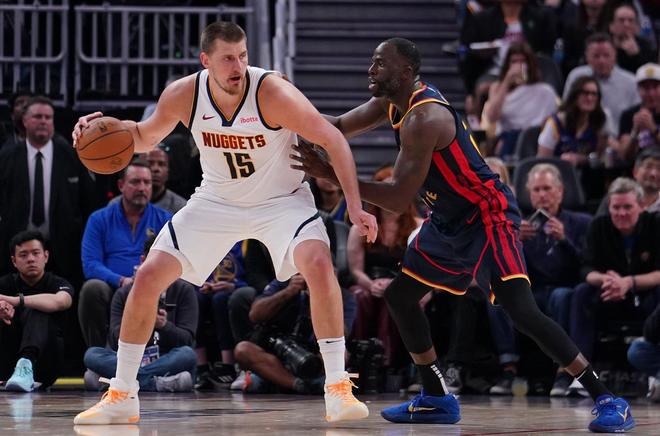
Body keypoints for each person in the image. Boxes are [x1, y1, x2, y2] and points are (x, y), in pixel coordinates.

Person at [292, 37, 635, 432]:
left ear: (405, 72)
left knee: (520, 310)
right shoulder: (391, 102)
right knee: (401, 296)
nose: (371, 70)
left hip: (486, 215)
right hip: (447, 218)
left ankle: (608, 398)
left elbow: (399, 197)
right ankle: (436, 396)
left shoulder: (425, 118)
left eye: (379, 63)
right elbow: (334, 126)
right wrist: (283, 113)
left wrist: (332, 174)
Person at [71, 21, 376, 425]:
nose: (238, 66)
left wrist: (354, 204)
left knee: (319, 264)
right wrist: (100, 129)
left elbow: (333, 139)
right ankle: (122, 394)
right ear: (206, 61)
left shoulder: (272, 93)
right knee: (147, 277)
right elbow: (144, 136)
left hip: (281, 201)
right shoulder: (184, 94)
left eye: (243, 56)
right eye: (228, 58)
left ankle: (337, 386)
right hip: (218, 200)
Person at [487, 163, 592, 395]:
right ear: (529, 194)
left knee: (561, 297)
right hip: (532, 290)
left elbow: (586, 265)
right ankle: (509, 369)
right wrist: (515, 242)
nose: (542, 195)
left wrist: (564, 240)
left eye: (547, 188)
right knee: (498, 299)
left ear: (560, 191)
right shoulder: (516, 224)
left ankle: (564, 372)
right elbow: (507, 269)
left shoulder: (581, 222)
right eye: (536, 190)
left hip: (565, 287)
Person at [0, 96, 97, 286]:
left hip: (64, 247)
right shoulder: (7, 156)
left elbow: (88, 200)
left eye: (48, 117)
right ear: (25, 121)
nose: (43, 121)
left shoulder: (71, 155)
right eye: (38, 116)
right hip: (17, 246)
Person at [84, 235, 198, 393]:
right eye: (156, 261)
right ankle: (155, 383)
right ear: (144, 260)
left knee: (187, 354)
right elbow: (114, 339)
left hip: (165, 358)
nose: (160, 268)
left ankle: (121, 383)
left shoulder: (184, 290)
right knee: (92, 354)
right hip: (128, 359)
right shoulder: (124, 293)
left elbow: (187, 340)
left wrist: (164, 326)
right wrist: (137, 320)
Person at [78, 159, 171, 348]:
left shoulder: (165, 220)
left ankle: (168, 354)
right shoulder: (99, 219)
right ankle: (99, 354)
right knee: (92, 288)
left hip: (153, 288)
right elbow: (91, 264)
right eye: (135, 182)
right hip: (113, 287)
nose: (142, 188)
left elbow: (172, 262)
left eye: (147, 182)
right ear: (121, 185)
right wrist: (121, 281)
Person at [569, 177, 660, 370]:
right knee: (581, 293)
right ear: (608, 207)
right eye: (616, 208)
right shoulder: (598, 226)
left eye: (628, 207)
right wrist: (605, 279)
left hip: (646, 292)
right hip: (608, 291)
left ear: (641, 206)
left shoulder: (655, 224)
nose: (621, 213)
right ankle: (579, 371)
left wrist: (628, 282)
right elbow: (586, 269)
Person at [0, 231, 73, 391]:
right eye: (23, 255)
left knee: (38, 307)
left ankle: (26, 365)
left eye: (35, 253)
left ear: (46, 256)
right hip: (7, 359)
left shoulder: (57, 283)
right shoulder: (5, 283)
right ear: (14, 261)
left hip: (45, 363)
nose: (31, 259)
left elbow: (62, 301)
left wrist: (16, 301)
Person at [482, 41, 558, 159]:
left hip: (533, 141)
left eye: (523, 61)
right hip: (507, 140)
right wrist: (506, 82)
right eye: (514, 61)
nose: (518, 66)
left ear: (530, 64)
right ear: (507, 65)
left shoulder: (544, 91)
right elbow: (492, 117)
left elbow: (550, 123)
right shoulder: (497, 87)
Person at [563, 33, 639, 137]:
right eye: (596, 56)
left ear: (615, 55)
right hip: (579, 138)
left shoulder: (631, 82)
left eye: (606, 55)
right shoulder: (576, 76)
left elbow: (635, 117)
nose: (602, 61)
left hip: (619, 140)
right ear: (587, 56)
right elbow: (566, 109)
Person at [537, 76, 612, 166]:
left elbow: (601, 158)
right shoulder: (555, 122)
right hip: (557, 170)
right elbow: (542, 161)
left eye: (594, 94)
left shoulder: (601, 120)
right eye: (585, 93)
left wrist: (581, 159)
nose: (590, 98)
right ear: (575, 96)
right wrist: (561, 161)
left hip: (589, 172)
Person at [618, 64, 660, 162]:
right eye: (646, 88)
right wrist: (635, 131)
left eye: (655, 87)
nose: (651, 93)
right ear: (638, 89)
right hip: (638, 167)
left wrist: (653, 129)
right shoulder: (628, 115)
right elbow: (624, 156)